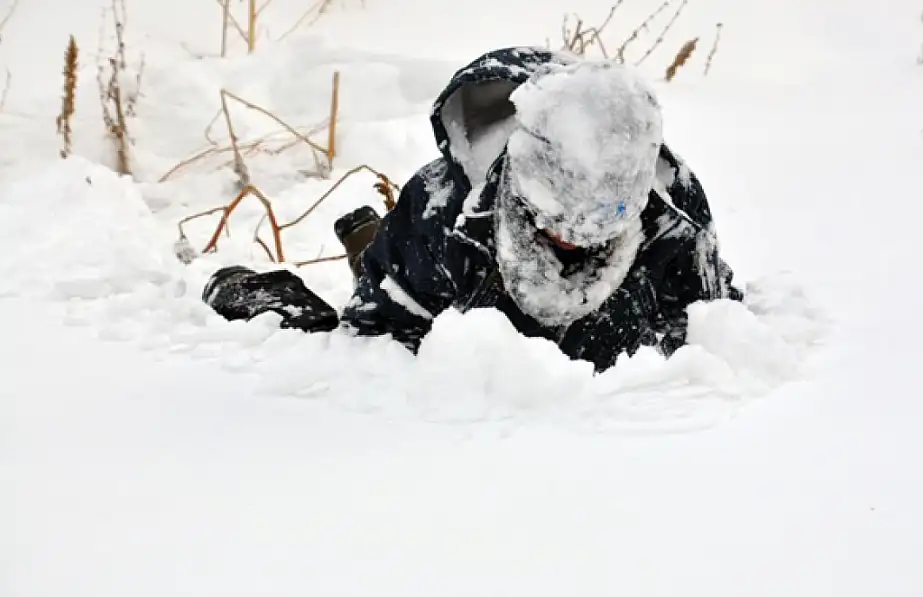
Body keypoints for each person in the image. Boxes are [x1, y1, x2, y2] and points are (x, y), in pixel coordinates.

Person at [202, 46, 743, 372]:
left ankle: (369, 234)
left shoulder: (674, 207)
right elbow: (379, 339)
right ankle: (368, 241)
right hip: (458, 318)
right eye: (557, 219)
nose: (576, 238)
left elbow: (713, 318)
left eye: (600, 222)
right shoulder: (441, 211)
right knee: (379, 297)